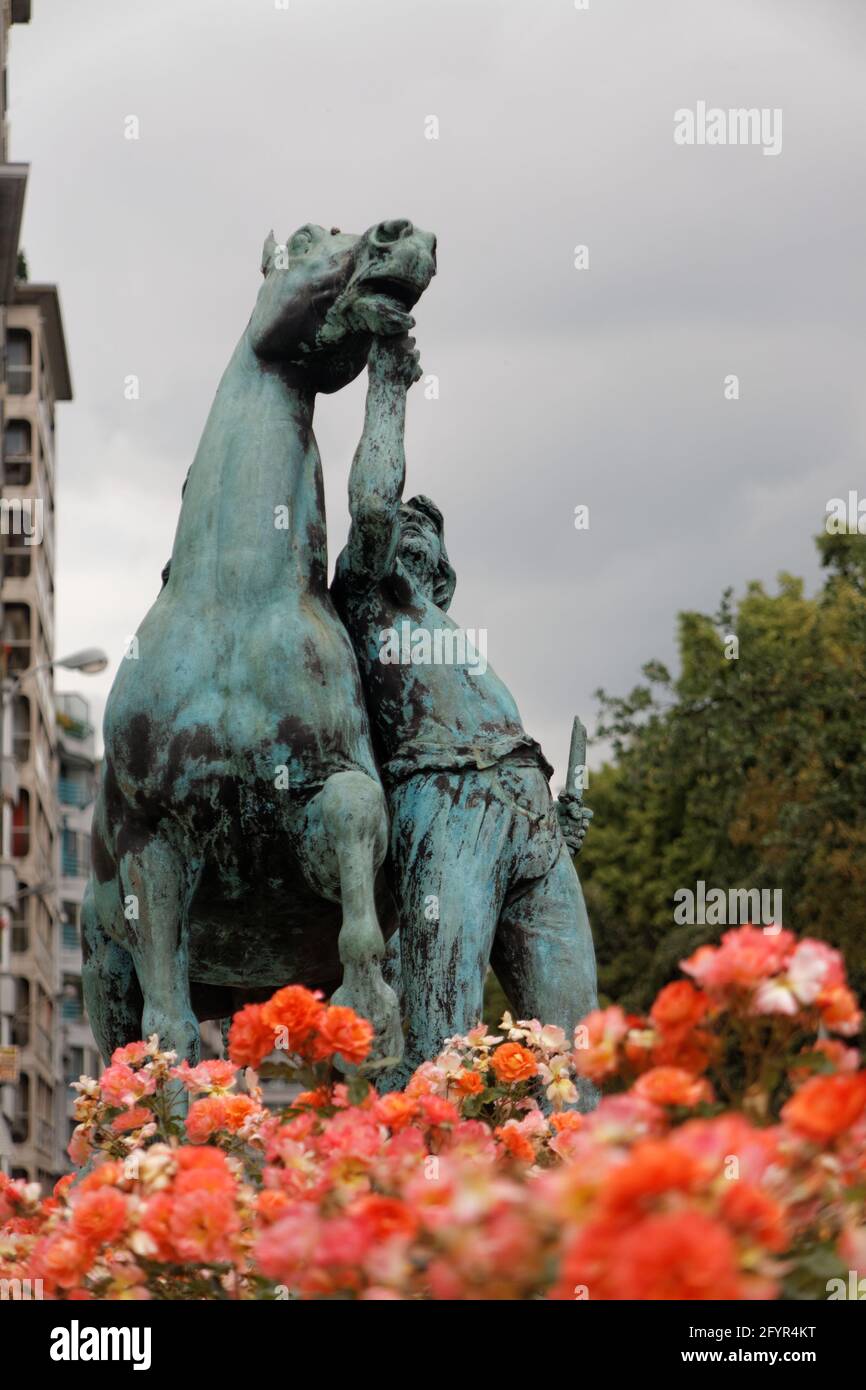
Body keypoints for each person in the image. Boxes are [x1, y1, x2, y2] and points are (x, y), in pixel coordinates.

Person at [331, 335, 598, 1099]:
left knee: (581, 1058)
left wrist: (555, 819)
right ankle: (424, 1202)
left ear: (444, 571)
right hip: (442, 807)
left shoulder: (451, 633)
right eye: (405, 527)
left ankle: (593, 1210)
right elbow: (374, 503)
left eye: (429, 529)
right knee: (440, 1057)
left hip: (530, 814)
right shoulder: (368, 596)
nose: (412, 527)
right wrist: (390, 387)